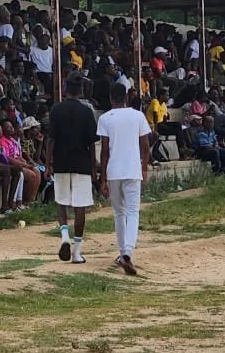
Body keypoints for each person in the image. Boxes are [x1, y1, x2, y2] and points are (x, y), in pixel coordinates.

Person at [96, 83, 151, 277]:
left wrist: (102, 178)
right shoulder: (138, 116)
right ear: (126, 97)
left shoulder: (105, 118)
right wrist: (144, 168)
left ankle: (122, 253)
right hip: (132, 169)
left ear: (111, 98)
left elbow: (104, 151)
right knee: (132, 212)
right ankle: (128, 251)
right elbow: (145, 146)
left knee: (119, 213)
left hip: (114, 171)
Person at [47, 76, 98, 264]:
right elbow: (92, 143)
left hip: (61, 162)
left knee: (61, 202)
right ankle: (77, 252)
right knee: (80, 206)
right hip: (82, 163)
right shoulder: (87, 111)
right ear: (81, 90)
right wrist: (93, 166)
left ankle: (64, 237)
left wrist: (48, 162)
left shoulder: (56, 109)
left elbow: (51, 138)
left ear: (65, 88)